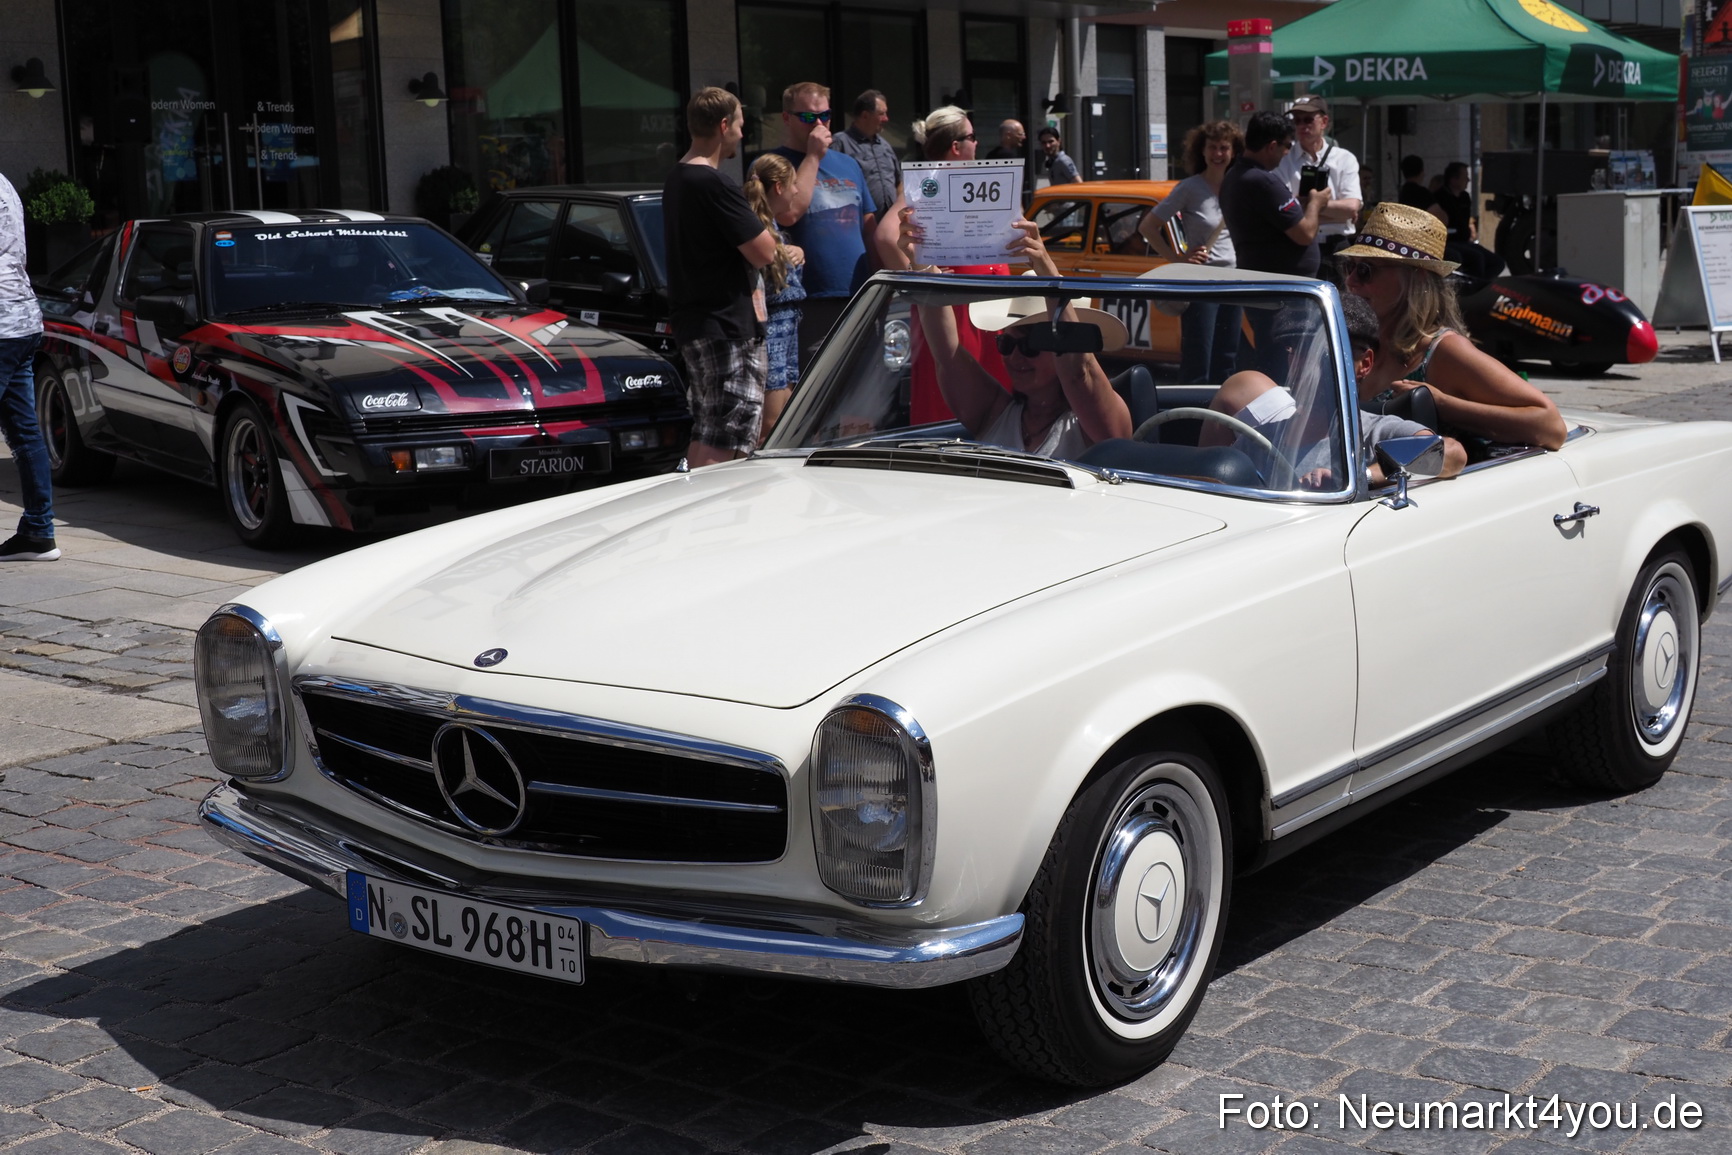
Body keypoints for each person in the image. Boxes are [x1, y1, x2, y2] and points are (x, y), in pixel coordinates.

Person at [1338, 202, 1566, 450]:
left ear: (1417, 277)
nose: (1351, 280)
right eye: (1350, 266)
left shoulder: (1442, 351)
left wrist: (1442, 404)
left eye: (1366, 270)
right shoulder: (1351, 341)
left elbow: (1551, 426)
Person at [901, 223, 1133, 456]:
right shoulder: (994, 411)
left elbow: (1078, 373)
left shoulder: (1091, 423)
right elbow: (947, 353)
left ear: (1057, 345)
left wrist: (1048, 273)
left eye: (1029, 346)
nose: (1014, 356)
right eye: (1006, 344)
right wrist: (923, 264)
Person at [1202, 294, 1467, 489]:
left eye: (1323, 353)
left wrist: (1362, 477)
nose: (1306, 365)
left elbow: (1452, 454)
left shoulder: (1375, 432)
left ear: (1364, 364)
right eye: (1296, 351)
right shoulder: (1259, 440)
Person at [872, 105, 1012, 424]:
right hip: (952, 308)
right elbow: (885, 236)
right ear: (956, 146)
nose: (977, 143)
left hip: (984, 304)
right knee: (955, 392)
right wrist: (921, 277)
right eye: (972, 137)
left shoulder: (970, 181)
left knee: (993, 389)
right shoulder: (928, 181)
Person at [662, 87, 779, 468]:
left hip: (697, 322)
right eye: (741, 125)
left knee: (708, 430)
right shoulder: (713, 183)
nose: (742, 135)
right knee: (726, 438)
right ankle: (712, 507)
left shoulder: (677, 177)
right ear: (724, 125)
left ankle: (697, 501)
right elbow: (764, 252)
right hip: (726, 327)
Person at [772, 81, 876, 374]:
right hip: (809, 299)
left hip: (859, 294)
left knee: (864, 384)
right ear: (787, 118)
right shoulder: (773, 165)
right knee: (816, 385)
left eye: (825, 116)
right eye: (808, 117)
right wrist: (813, 156)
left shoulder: (848, 164)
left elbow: (869, 228)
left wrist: (884, 281)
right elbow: (789, 213)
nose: (818, 124)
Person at [1220, 110, 1329, 373]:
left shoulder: (1235, 176)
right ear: (1272, 146)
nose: (1286, 153)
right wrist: (1315, 203)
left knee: (1277, 359)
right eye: (1286, 146)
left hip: (1268, 289)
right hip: (1282, 295)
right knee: (1284, 365)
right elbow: (1304, 233)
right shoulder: (1262, 181)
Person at [1139, 120, 1244, 383]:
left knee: (1227, 359)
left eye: (1224, 148)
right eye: (1212, 147)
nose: (1218, 154)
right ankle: (1191, 409)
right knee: (1199, 359)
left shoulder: (1239, 185)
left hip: (1236, 281)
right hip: (1202, 283)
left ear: (1233, 151)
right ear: (1202, 151)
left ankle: (1222, 408)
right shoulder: (1190, 187)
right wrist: (1178, 260)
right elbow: (1148, 226)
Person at [0, 171, 57, 562]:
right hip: (22, 319)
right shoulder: (5, 183)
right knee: (24, 433)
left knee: (24, 433)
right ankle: (38, 531)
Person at [743, 153, 806, 444]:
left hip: (788, 328)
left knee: (785, 419)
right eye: (793, 184)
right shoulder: (754, 227)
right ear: (779, 187)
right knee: (771, 426)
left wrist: (799, 253)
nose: (797, 191)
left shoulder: (773, 230)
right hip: (773, 331)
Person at [1275, 96, 1361, 280]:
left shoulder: (1344, 159)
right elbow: (1284, 212)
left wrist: (1306, 206)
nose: (1302, 126)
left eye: (1308, 119)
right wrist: (1336, 213)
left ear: (1324, 122)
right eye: (1297, 120)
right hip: (1299, 248)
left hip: (1337, 249)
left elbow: (1351, 207)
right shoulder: (1283, 160)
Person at [830, 88, 901, 218]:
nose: (886, 119)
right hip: (857, 223)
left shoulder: (885, 146)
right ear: (865, 115)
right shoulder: (840, 143)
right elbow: (829, 186)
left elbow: (898, 182)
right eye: (881, 114)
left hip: (889, 223)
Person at [1428, 161, 1503, 281]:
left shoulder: (1465, 197)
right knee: (1476, 257)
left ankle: (1481, 285)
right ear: (1454, 179)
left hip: (1464, 241)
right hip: (1448, 241)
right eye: (1465, 177)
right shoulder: (1439, 197)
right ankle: (1473, 289)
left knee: (1497, 262)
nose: (1468, 180)